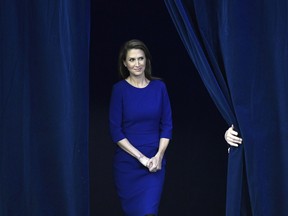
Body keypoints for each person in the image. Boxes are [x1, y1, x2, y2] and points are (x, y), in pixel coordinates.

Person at [109, 39, 173, 216]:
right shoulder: (119, 90)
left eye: (140, 58)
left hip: (155, 163)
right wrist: (141, 158)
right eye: (132, 60)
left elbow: (167, 126)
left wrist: (158, 156)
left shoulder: (159, 87)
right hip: (128, 163)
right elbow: (116, 131)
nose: (137, 64)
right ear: (124, 63)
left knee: (148, 212)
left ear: (147, 60)